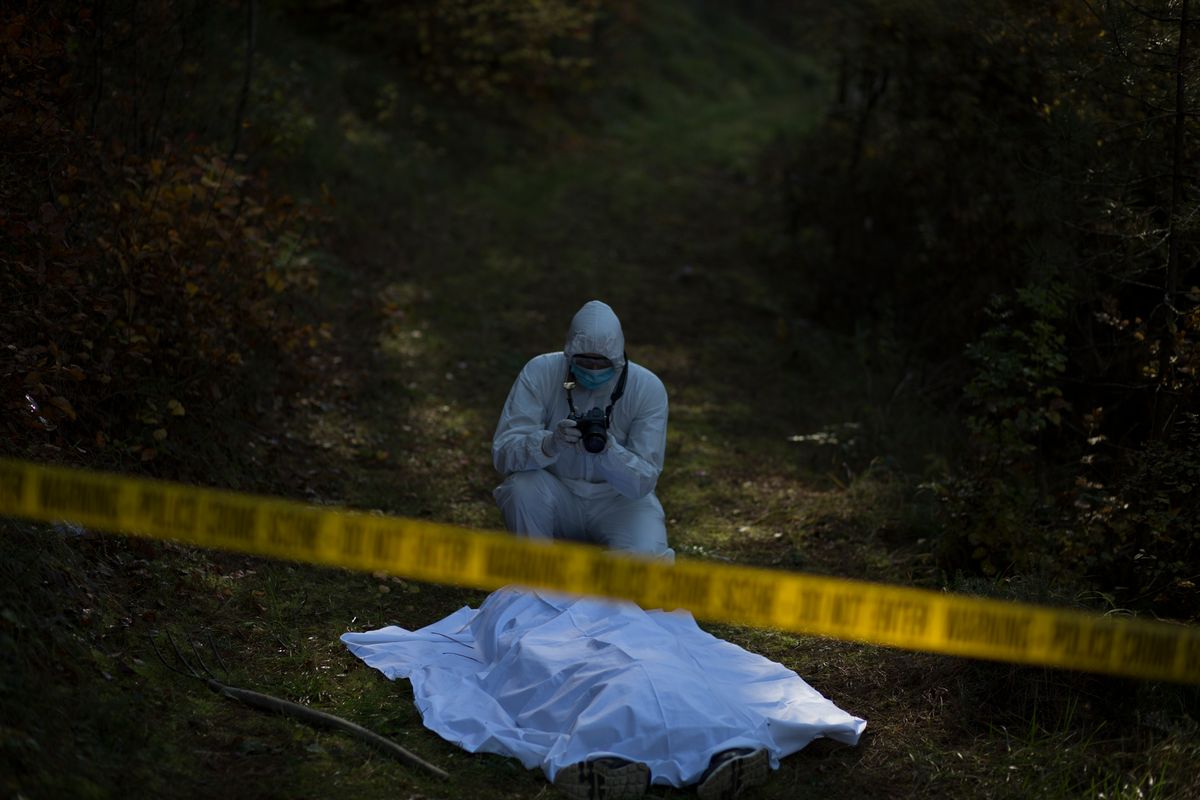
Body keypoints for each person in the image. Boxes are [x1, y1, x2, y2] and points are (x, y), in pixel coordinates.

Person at [492, 300, 673, 561]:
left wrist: (609, 452)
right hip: (556, 491)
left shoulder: (647, 388)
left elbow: (643, 482)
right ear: (569, 355)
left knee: (646, 567)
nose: (593, 370)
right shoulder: (540, 372)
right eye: (585, 361)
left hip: (618, 500)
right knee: (521, 488)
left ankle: (608, 577)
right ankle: (536, 572)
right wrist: (546, 445)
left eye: (602, 364)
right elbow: (503, 453)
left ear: (619, 360)